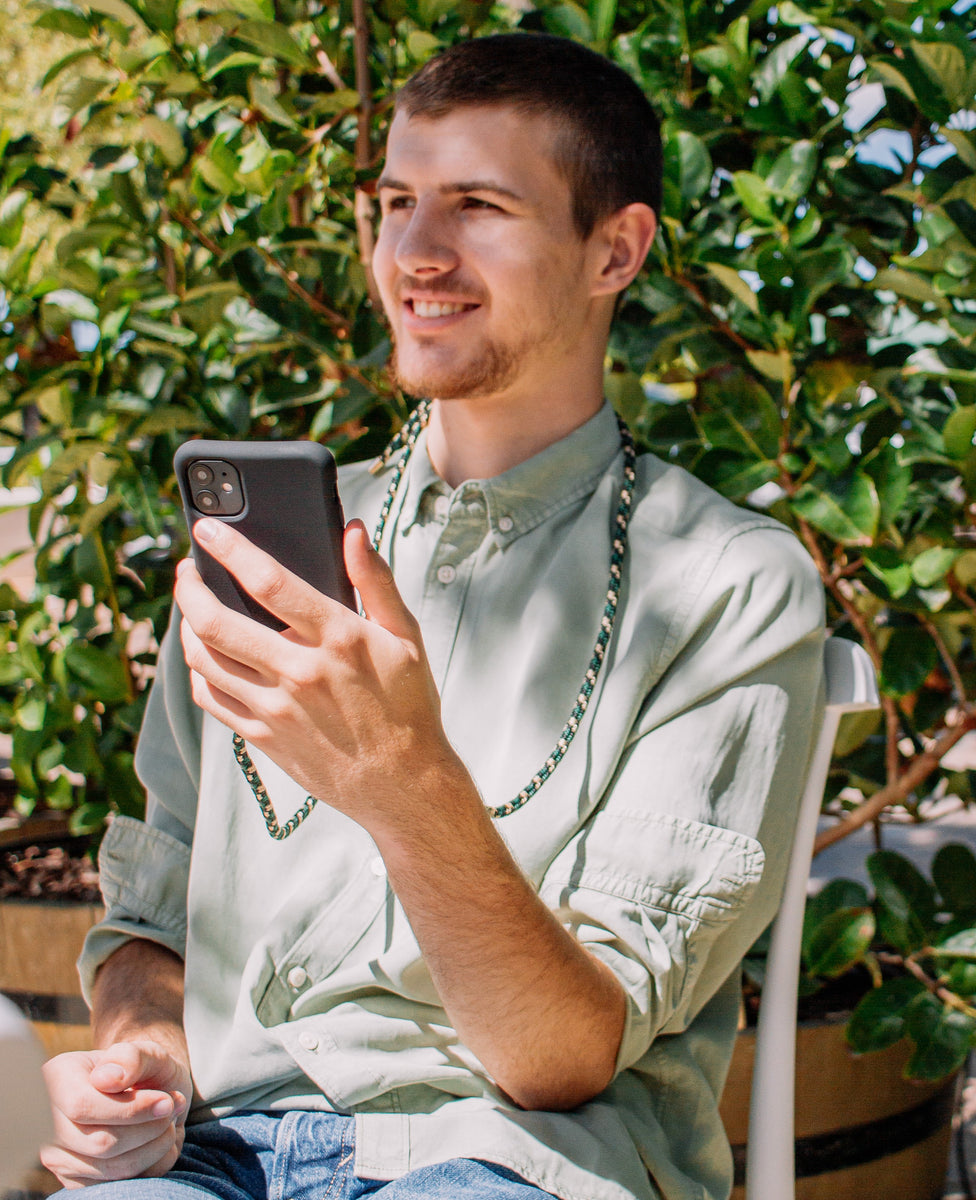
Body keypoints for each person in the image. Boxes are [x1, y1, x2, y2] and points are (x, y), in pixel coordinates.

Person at [39, 32, 825, 1200]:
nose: (414, 251)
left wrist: (405, 782)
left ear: (617, 248)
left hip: (519, 1161)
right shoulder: (270, 549)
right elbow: (152, 920)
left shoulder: (728, 582)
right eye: (398, 200)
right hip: (218, 1156)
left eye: (479, 205)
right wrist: (139, 1061)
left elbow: (557, 1059)